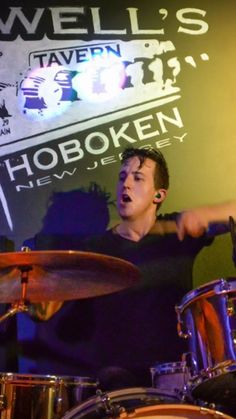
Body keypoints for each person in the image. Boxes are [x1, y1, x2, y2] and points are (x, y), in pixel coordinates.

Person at [23, 146, 236, 392]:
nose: (126, 184)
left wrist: (205, 214)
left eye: (137, 178)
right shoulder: (94, 249)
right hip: (117, 381)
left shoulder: (176, 229)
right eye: (122, 177)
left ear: (158, 195)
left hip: (178, 374)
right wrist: (39, 292)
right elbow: (43, 311)